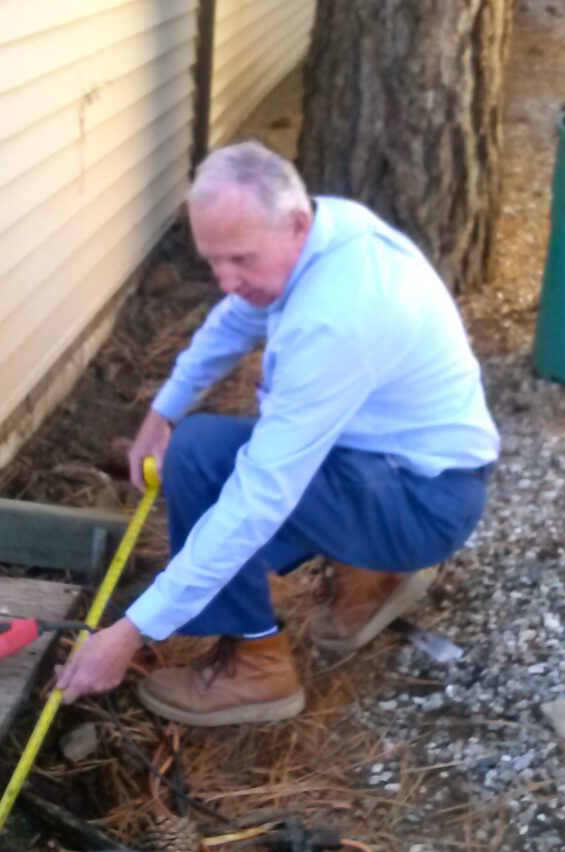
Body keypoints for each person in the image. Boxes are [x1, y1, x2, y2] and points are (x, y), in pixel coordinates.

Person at [57, 141, 499, 725]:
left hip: (423, 504)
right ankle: (375, 574)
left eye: (239, 259)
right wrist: (161, 412)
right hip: (411, 471)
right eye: (213, 262)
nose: (225, 280)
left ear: (293, 222)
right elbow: (234, 319)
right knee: (200, 441)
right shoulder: (322, 231)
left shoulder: (338, 316)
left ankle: (256, 664)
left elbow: (259, 497)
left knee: (203, 460)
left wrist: (130, 630)